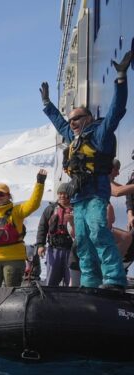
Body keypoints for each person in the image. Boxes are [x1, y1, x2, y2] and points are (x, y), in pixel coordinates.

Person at [40, 49, 132, 292]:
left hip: (95, 194)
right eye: (71, 119)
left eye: (76, 118)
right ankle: (90, 282)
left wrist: (120, 79)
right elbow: (60, 123)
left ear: (88, 118)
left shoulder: (100, 135)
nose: (71, 122)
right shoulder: (72, 137)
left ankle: (113, 279)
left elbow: (116, 112)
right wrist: (48, 104)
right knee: (82, 241)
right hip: (78, 198)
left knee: (99, 232)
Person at [35, 182, 75, 286]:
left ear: (70, 194)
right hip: (54, 250)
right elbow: (42, 228)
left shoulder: (76, 209)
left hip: (71, 251)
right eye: (60, 193)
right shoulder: (50, 209)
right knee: (51, 281)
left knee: (71, 282)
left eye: (65, 193)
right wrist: (40, 245)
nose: (62, 196)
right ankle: (49, 301)